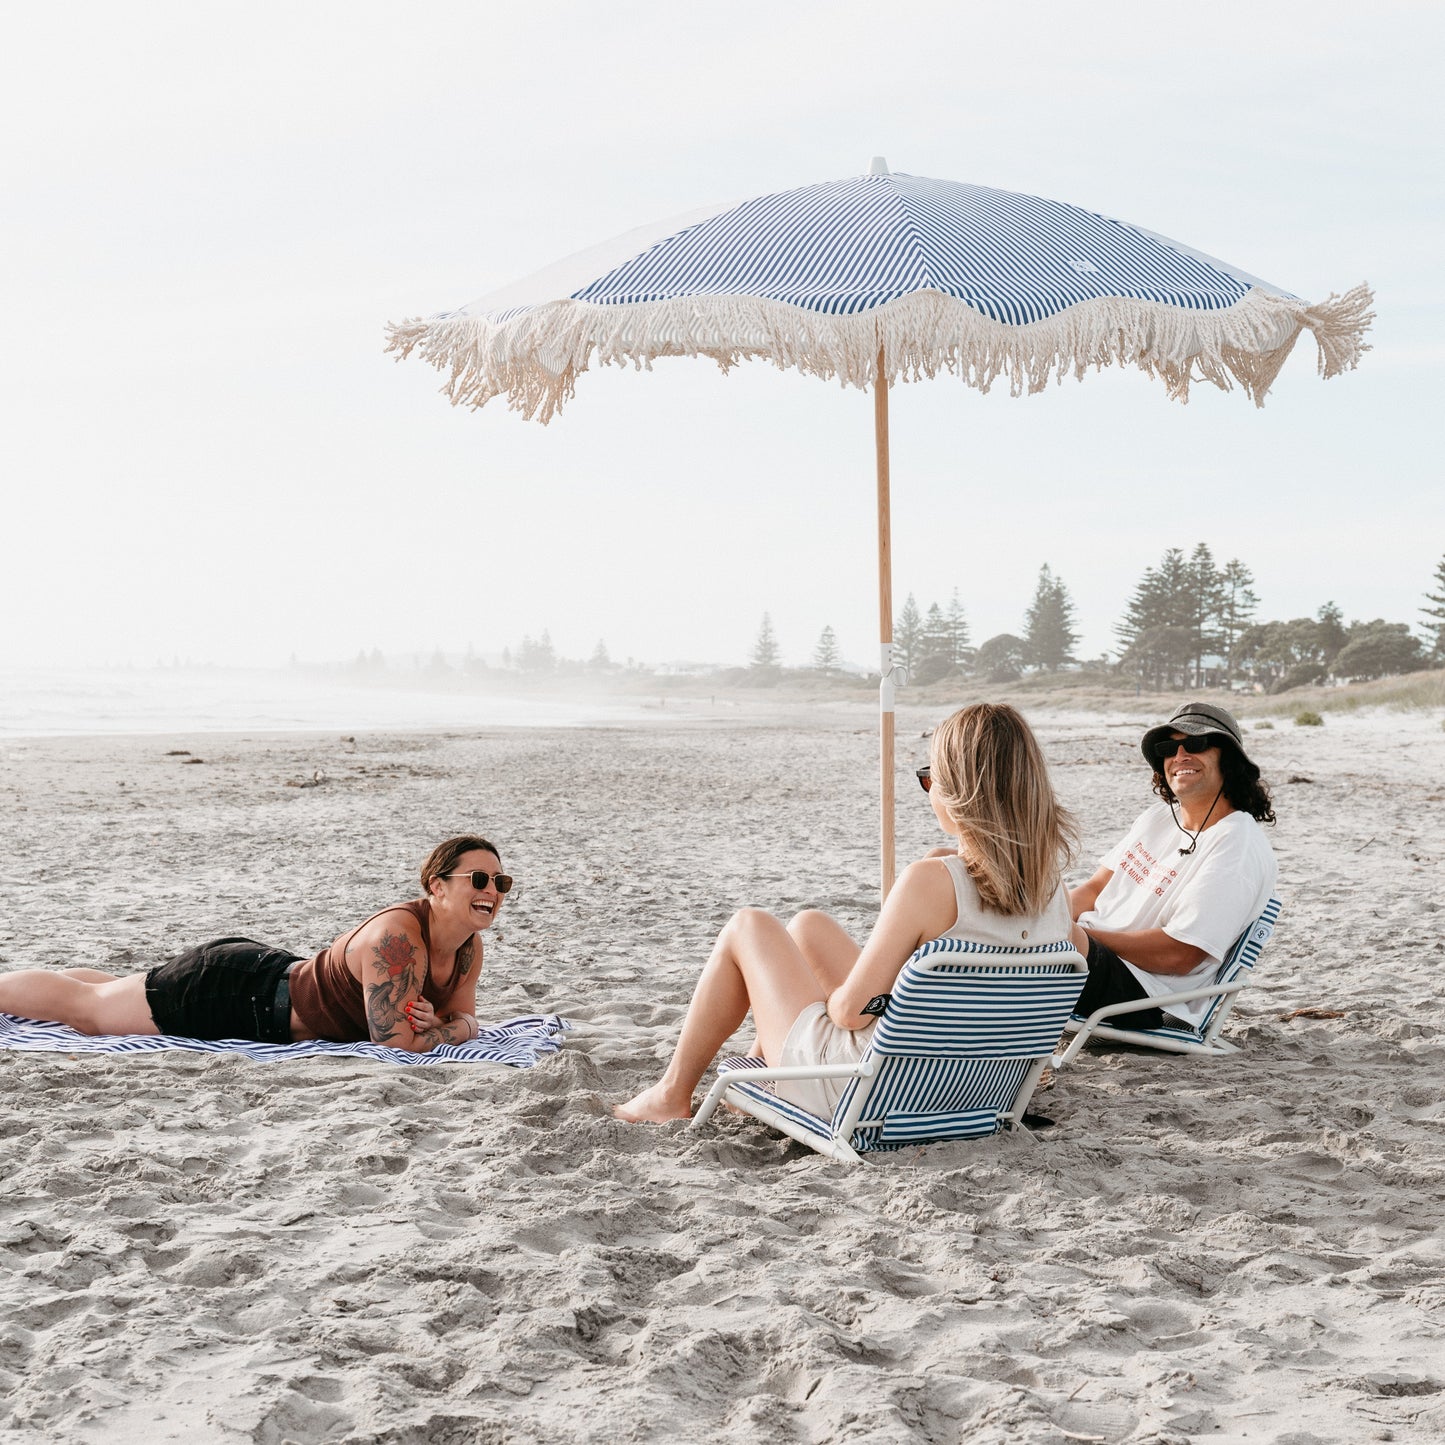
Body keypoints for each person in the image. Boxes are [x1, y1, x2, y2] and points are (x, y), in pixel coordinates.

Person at [614, 702, 1078, 1123]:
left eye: (929, 778)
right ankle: (761, 1061)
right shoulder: (1057, 896)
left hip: (865, 1093)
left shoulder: (928, 883)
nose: (928, 789)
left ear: (957, 790)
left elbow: (853, 1013)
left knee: (749, 926)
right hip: (974, 1092)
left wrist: (830, 1000)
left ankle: (671, 1095)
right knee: (808, 926)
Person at [0, 835, 511, 1052]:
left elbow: (465, 1017)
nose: (492, 892)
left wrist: (449, 1025)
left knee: (115, 993)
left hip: (271, 979)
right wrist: (450, 1029)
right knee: (88, 1011)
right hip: (236, 994)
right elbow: (398, 1042)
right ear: (437, 885)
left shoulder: (467, 946)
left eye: (501, 883)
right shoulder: (397, 939)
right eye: (480, 880)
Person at [1069, 703, 1277, 1030]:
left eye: (1195, 744)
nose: (1179, 755)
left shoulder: (1237, 844)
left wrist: (1078, 937)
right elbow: (1095, 889)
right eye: (1168, 748)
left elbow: (1180, 954)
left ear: (1230, 759)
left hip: (1145, 993)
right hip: (1090, 955)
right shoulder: (1158, 818)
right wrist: (1043, 916)